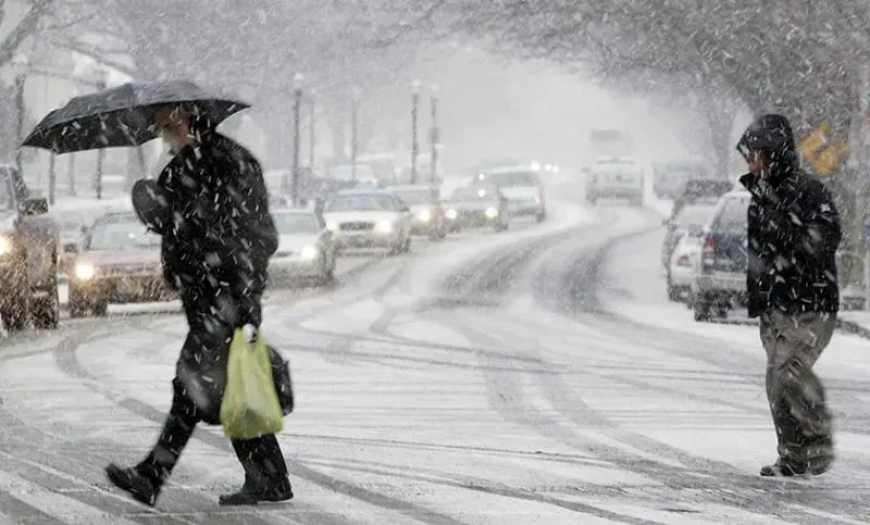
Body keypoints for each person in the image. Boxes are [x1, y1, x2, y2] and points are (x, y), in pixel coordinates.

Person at [105, 105, 293, 506]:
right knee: (228, 387)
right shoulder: (178, 168)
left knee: (189, 385)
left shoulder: (233, 162)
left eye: (163, 121)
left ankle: (151, 475)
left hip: (225, 298)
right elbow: (171, 223)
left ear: (185, 116)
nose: (158, 130)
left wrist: (243, 297)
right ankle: (271, 478)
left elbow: (260, 237)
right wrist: (154, 207)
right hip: (204, 297)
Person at [737, 114, 841, 477]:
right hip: (776, 306)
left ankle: (818, 438)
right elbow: (756, 253)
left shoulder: (810, 192)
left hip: (811, 303)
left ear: (773, 154)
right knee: (776, 384)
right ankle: (793, 456)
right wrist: (758, 297)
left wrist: (791, 248)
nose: (750, 162)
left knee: (789, 373)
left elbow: (828, 238)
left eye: (756, 154)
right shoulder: (759, 198)